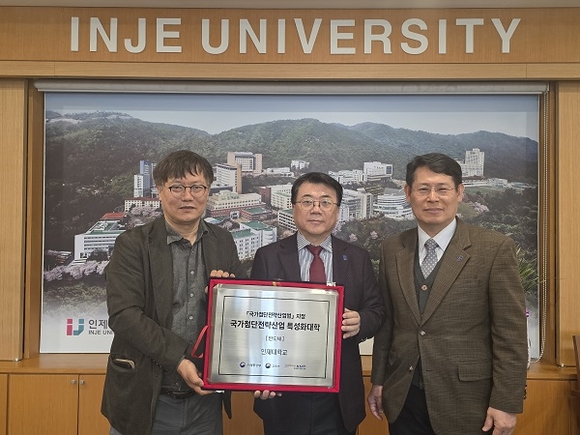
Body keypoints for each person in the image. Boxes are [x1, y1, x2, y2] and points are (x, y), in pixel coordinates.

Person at [367, 153, 528, 435]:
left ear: (459, 192)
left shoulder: (493, 248)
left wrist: (506, 402)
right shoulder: (392, 248)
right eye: (423, 189)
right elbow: (388, 323)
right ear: (408, 193)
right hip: (404, 399)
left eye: (442, 188)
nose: (433, 198)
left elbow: (510, 333)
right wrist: (379, 380)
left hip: (469, 403)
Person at [101, 150, 246, 435]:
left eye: (197, 187)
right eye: (177, 187)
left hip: (205, 402)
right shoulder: (132, 244)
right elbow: (124, 315)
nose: (187, 196)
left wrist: (225, 297)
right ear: (159, 190)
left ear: (208, 190)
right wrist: (179, 359)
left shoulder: (223, 241)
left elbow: (241, 313)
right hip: (146, 397)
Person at [251, 172, 386, 435]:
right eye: (307, 202)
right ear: (293, 208)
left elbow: (377, 311)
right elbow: (255, 322)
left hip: (339, 395)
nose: (316, 209)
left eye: (325, 202)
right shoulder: (268, 256)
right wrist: (258, 374)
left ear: (337, 211)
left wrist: (361, 321)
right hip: (283, 392)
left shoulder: (357, 257)